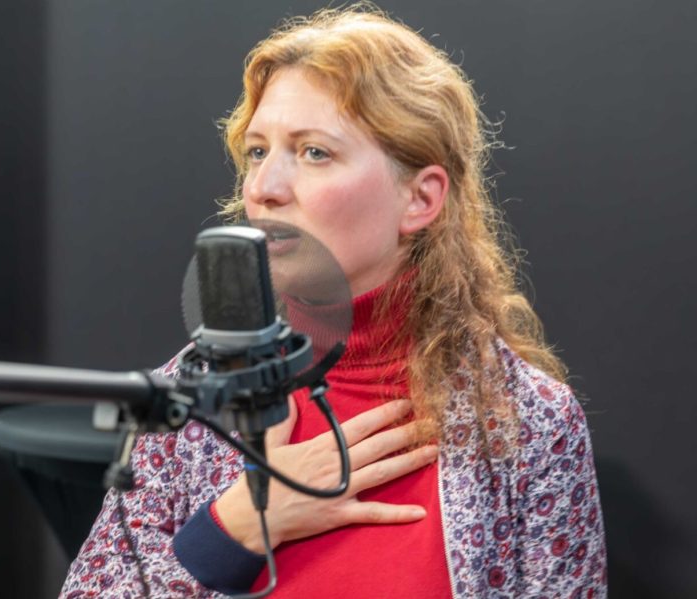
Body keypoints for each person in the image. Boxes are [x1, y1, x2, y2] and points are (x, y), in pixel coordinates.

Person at [60, 4, 607, 598]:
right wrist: (236, 527)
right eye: (258, 152)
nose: (263, 189)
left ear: (420, 199)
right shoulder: (189, 400)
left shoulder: (526, 422)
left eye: (314, 152)